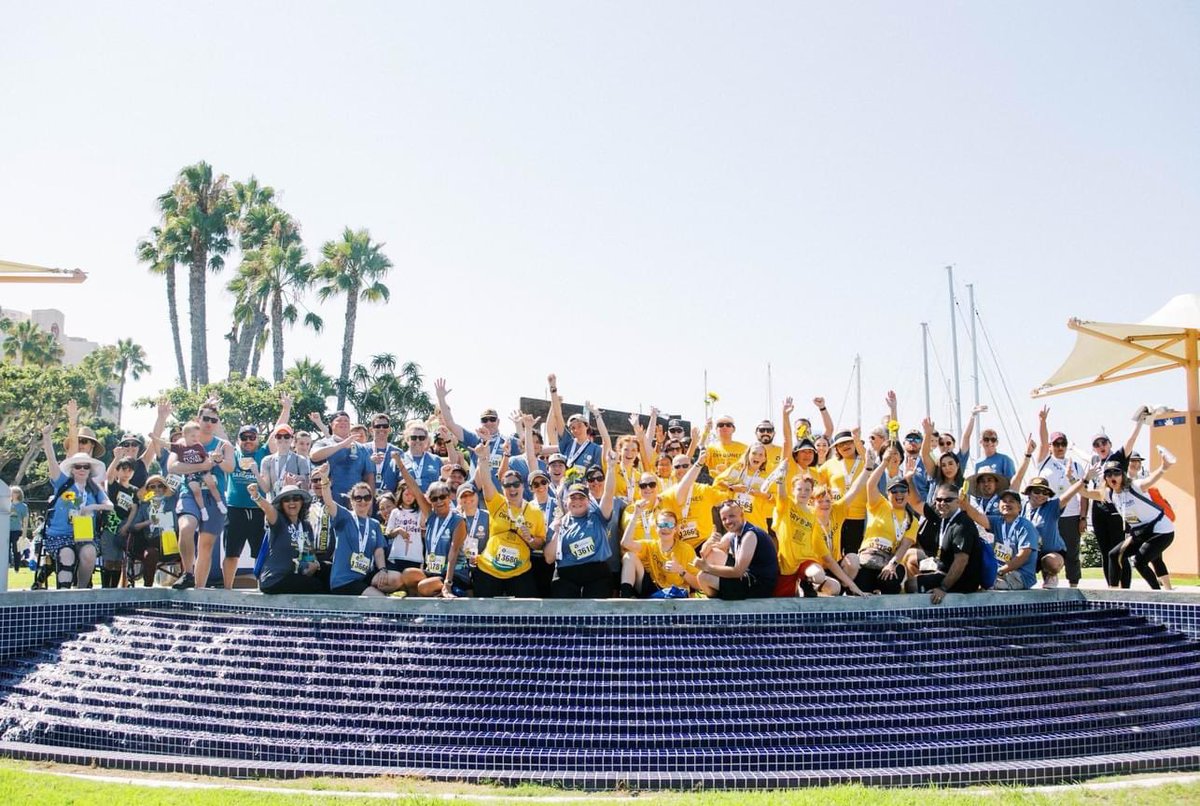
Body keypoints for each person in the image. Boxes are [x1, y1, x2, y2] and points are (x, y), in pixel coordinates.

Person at [1080, 457, 1175, 590]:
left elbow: (1150, 480)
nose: (1112, 477)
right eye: (1108, 474)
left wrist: (1164, 467)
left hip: (1161, 531)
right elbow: (1083, 492)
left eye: (1116, 473)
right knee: (1114, 555)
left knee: (1140, 561)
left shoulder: (1135, 487)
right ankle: (1114, 592)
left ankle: (1158, 592)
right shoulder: (1109, 494)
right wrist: (1084, 479)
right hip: (1141, 532)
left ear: (1123, 475)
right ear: (1105, 478)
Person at [168, 401, 234, 591]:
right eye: (205, 418)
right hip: (190, 492)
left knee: (205, 547)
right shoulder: (183, 442)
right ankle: (187, 573)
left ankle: (198, 591)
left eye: (213, 420)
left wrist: (218, 459)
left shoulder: (224, 445)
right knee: (186, 527)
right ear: (198, 419)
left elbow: (230, 467)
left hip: (215, 498)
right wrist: (202, 466)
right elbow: (172, 467)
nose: (209, 423)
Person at [40, 424, 112, 588]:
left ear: (90, 470)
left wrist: (91, 508)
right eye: (77, 466)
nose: (81, 469)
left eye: (85, 466)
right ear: (72, 469)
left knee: (89, 553)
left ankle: (80, 593)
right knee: (67, 554)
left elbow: (109, 505)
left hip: (85, 535)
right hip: (59, 535)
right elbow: (51, 461)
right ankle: (63, 599)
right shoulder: (63, 483)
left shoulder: (94, 488)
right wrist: (47, 438)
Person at [470, 441, 546, 597]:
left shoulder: (535, 511)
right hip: (489, 568)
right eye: (507, 485)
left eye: (516, 484)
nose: (512, 488)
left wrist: (531, 539)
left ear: (523, 486)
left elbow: (541, 542)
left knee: (526, 614)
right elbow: (486, 481)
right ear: (502, 488)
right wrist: (483, 459)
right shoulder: (497, 502)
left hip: (520, 570)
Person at [312, 466, 402, 596]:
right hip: (344, 580)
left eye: (367, 497)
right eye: (358, 498)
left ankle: (370, 593)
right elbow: (329, 502)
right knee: (380, 600)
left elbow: (378, 551)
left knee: (396, 578)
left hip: (364, 575)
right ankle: (372, 595)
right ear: (352, 501)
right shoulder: (345, 516)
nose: (362, 501)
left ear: (371, 500)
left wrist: (382, 569)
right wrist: (325, 479)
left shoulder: (374, 524)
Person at [395, 458, 471, 598]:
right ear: (430, 500)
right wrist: (400, 464)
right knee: (407, 575)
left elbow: (453, 554)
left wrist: (447, 584)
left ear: (449, 498)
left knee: (424, 586)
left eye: (442, 497)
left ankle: (446, 592)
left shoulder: (458, 520)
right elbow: (416, 490)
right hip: (433, 571)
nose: (439, 501)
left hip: (455, 574)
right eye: (434, 498)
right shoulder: (431, 515)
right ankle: (422, 602)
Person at [544, 457, 616, 598]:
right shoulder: (559, 523)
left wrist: (612, 468)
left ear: (588, 501)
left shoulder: (598, 517)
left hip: (596, 571)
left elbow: (608, 494)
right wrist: (557, 533)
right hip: (567, 573)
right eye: (573, 498)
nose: (577, 501)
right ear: (566, 502)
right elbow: (549, 559)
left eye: (581, 498)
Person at [846, 454, 917, 595]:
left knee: (891, 579)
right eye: (894, 491)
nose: (899, 494)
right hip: (868, 558)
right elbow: (870, 484)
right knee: (862, 588)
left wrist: (892, 564)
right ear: (887, 493)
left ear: (908, 494)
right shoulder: (879, 504)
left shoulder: (912, 520)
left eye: (903, 490)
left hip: (889, 560)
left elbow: (904, 547)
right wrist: (884, 462)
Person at [248, 483, 325, 595]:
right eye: (287, 500)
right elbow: (268, 508)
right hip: (275, 579)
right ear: (281, 504)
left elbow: (310, 554)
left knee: (326, 570)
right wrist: (257, 496)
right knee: (315, 585)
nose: (292, 502)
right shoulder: (279, 521)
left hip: (296, 574)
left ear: (302, 502)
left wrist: (314, 564)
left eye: (296, 499)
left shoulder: (306, 526)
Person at [694, 500, 779, 600]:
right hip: (746, 579)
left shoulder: (749, 535)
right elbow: (706, 552)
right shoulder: (734, 533)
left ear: (742, 515)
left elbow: (738, 571)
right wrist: (709, 542)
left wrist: (708, 568)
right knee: (714, 554)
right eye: (724, 519)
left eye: (732, 516)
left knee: (703, 578)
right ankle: (723, 596)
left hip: (758, 587)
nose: (728, 521)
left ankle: (720, 605)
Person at [916, 484, 983, 604]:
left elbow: (961, 561)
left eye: (948, 500)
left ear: (958, 502)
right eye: (939, 499)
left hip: (963, 581)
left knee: (911, 585)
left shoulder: (962, 525)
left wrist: (943, 588)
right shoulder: (944, 519)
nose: (942, 503)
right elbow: (915, 502)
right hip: (944, 571)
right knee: (912, 561)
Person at [960, 490, 1038, 591]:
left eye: (1011, 501)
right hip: (999, 574)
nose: (1007, 504)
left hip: (1020, 575)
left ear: (1019, 507)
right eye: (1004, 501)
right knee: (972, 581)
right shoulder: (997, 521)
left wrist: (999, 572)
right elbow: (977, 516)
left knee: (987, 586)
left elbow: (1023, 556)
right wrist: (965, 504)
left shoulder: (1026, 526)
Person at [222, 423, 270, 589]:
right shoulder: (232, 455)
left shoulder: (263, 453)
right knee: (231, 553)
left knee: (260, 553)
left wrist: (285, 408)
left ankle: (261, 588)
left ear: (257, 439)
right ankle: (227, 590)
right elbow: (220, 433)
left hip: (259, 510)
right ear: (238, 439)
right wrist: (212, 408)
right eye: (244, 437)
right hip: (235, 509)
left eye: (252, 437)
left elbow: (278, 429)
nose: (248, 441)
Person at [1019, 474, 1087, 589]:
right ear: (1029, 492)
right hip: (1028, 552)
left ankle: (1051, 575)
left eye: (1045, 493)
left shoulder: (1052, 507)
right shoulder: (1021, 507)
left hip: (1051, 552)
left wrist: (1085, 480)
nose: (1041, 495)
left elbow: (1068, 495)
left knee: (1051, 562)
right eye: (1037, 491)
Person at [619, 503, 699, 597]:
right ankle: (626, 598)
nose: (665, 528)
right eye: (662, 525)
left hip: (676, 594)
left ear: (676, 529)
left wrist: (681, 571)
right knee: (629, 556)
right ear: (656, 528)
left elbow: (698, 585)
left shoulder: (686, 549)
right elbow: (626, 543)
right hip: (654, 589)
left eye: (669, 525)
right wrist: (636, 515)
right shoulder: (651, 545)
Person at [820, 427, 868, 555]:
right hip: (835, 515)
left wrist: (857, 439)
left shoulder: (865, 460)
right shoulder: (829, 465)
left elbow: (870, 460)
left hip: (859, 517)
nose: (845, 446)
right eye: (841, 444)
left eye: (849, 442)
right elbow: (816, 487)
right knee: (834, 553)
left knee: (854, 554)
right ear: (836, 448)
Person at [310, 411, 375, 503]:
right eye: (339, 420)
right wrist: (342, 444)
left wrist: (369, 502)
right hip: (329, 500)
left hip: (356, 501)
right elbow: (314, 456)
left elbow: (369, 476)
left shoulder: (362, 448)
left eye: (346, 421)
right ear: (331, 425)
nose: (343, 423)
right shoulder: (323, 443)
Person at [170, 421, 227, 523]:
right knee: (197, 492)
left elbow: (206, 459)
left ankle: (219, 503)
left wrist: (212, 461)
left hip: (203, 470)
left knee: (212, 485)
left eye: (197, 435)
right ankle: (202, 510)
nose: (195, 438)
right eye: (192, 436)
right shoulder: (179, 446)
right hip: (190, 474)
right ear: (185, 435)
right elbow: (171, 463)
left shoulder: (198, 446)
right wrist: (154, 438)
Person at [713, 443, 775, 533]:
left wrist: (760, 494)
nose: (757, 456)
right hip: (735, 525)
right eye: (754, 453)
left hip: (757, 524)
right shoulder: (737, 468)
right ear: (748, 454)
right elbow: (717, 482)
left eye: (760, 454)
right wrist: (732, 487)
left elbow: (776, 499)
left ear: (764, 459)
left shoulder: (767, 476)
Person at [123, 475, 171, 587]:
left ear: (164, 488)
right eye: (152, 487)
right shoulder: (145, 506)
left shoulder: (172, 503)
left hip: (172, 542)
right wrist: (148, 522)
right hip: (151, 542)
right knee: (150, 553)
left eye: (160, 486)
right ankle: (148, 588)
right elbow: (133, 527)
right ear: (148, 490)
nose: (157, 489)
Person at [102, 458, 139, 588]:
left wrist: (127, 526)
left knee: (119, 560)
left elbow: (134, 509)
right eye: (123, 469)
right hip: (110, 526)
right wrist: (116, 457)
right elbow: (108, 476)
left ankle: (114, 590)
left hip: (123, 527)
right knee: (108, 559)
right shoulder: (114, 486)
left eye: (130, 470)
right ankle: (105, 589)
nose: (126, 473)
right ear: (118, 471)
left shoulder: (134, 491)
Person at [260, 423, 312, 495]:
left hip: (293, 502)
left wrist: (299, 479)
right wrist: (256, 473)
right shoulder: (266, 460)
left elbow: (306, 489)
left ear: (292, 439)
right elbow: (266, 489)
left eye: (286, 436)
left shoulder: (300, 460)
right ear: (274, 439)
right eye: (279, 436)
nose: (283, 439)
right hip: (273, 503)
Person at [384, 482, 424, 573]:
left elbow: (423, 528)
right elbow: (388, 533)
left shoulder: (420, 512)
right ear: (401, 494)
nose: (409, 497)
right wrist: (398, 530)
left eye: (412, 495)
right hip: (397, 554)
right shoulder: (395, 512)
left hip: (415, 556)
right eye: (406, 494)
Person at [398, 420, 443, 493]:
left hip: (430, 502)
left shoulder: (436, 460)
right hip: (407, 502)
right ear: (407, 439)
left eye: (421, 438)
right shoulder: (399, 459)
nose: (417, 440)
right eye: (413, 437)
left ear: (426, 440)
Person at [8, 485, 28, 574]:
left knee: (16, 550)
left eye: (13, 492)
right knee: (5, 549)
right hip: (6, 530)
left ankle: (16, 568)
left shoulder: (23, 506)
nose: (11, 494)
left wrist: (24, 533)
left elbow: (25, 520)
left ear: (18, 494)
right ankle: (7, 565)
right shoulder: (7, 504)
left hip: (17, 531)